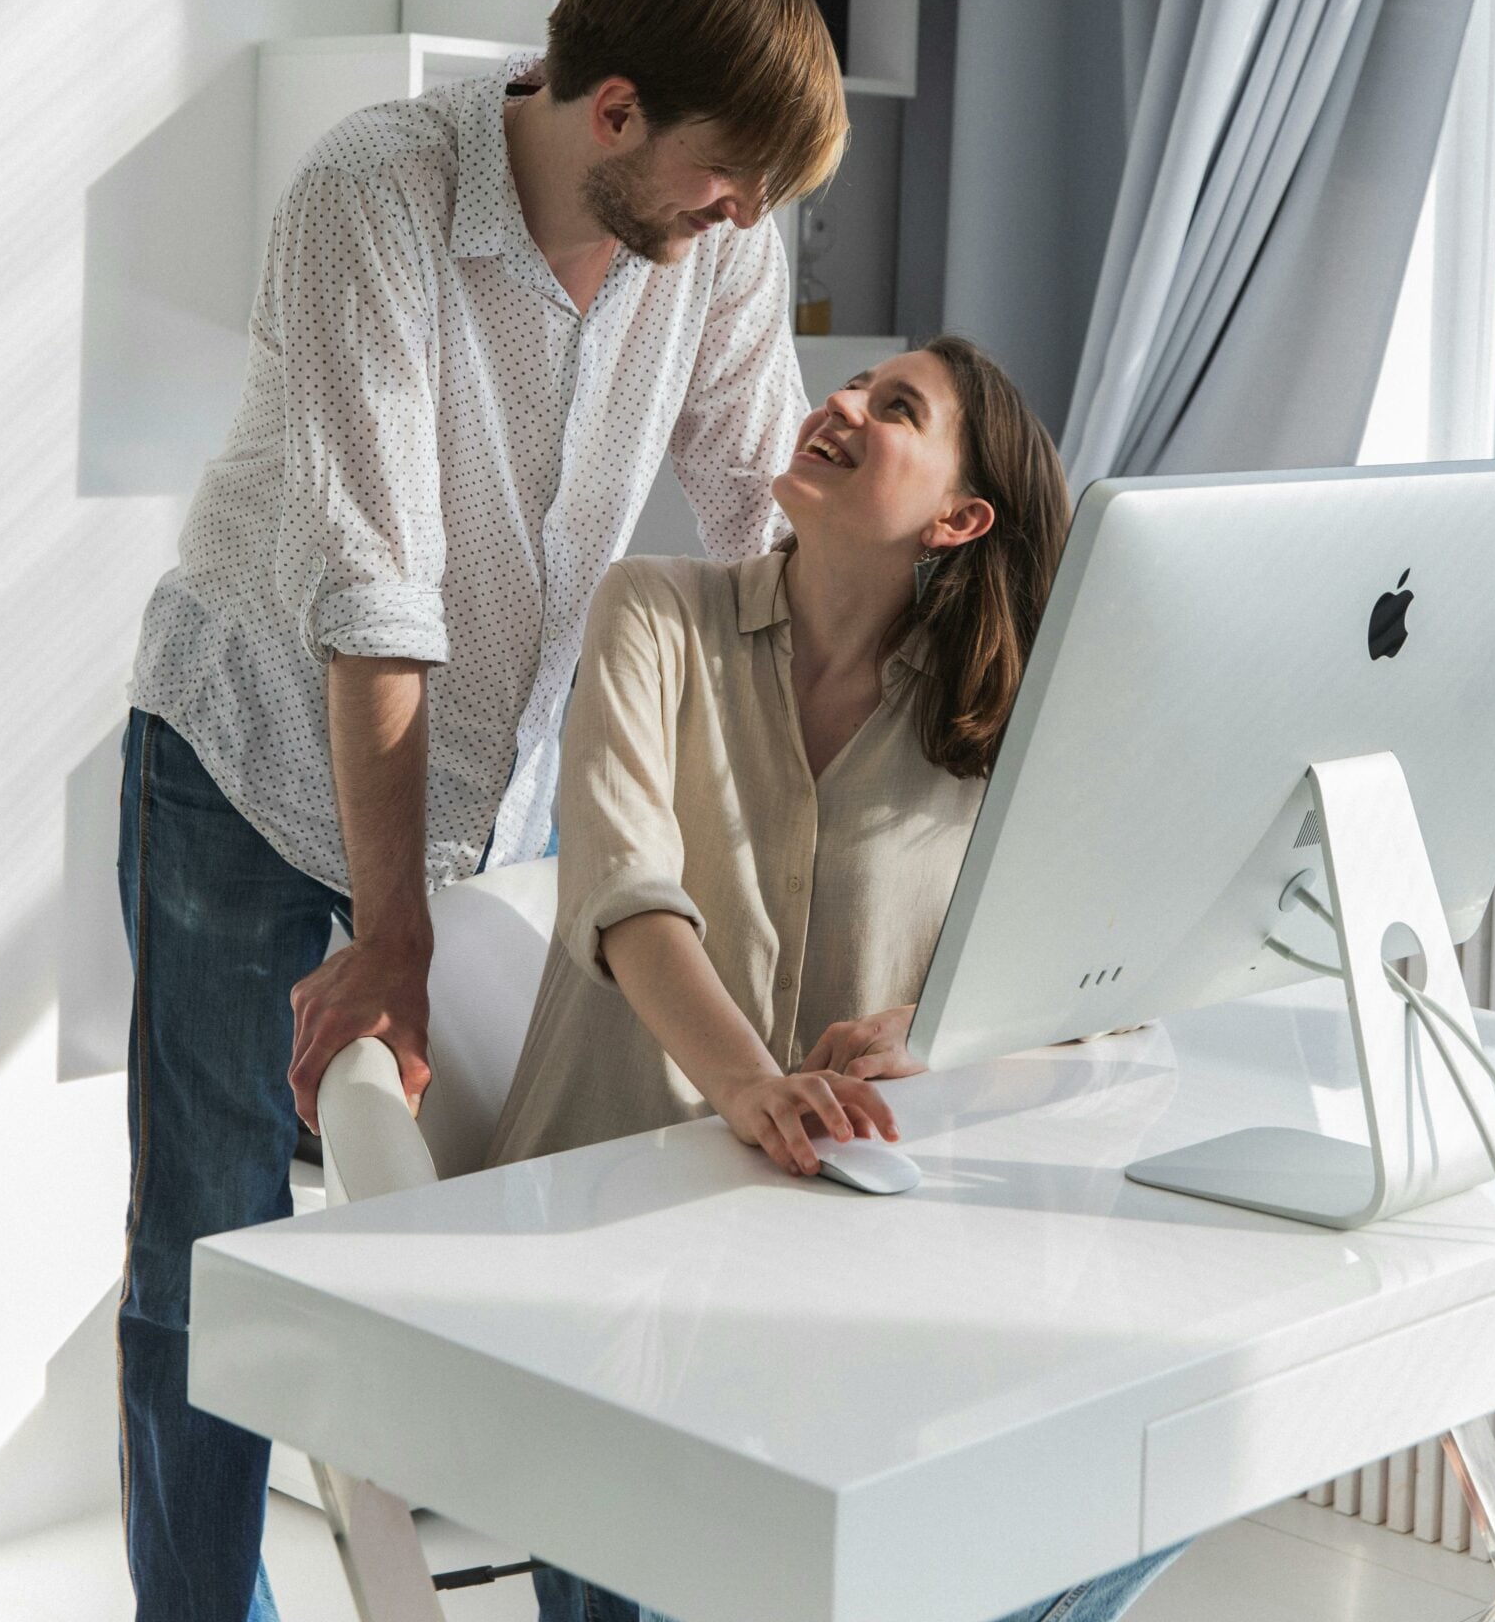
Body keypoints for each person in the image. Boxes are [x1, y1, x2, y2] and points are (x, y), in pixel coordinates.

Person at [117, 0, 847, 1622]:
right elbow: (376, 595)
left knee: (551, 1248)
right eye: (725, 180)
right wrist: (390, 940)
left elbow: (761, 533)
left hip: (485, 800)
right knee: (210, 1259)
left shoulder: (711, 242)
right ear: (608, 112)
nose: (739, 223)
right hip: (250, 765)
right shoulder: (367, 196)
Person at [488, 336, 1182, 1622]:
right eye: (854, 385)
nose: (844, 401)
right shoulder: (652, 610)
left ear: (960, 518)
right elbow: (626, 892)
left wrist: (937, 1023)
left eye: (896, 405)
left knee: (1162, 1467)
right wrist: (755, 1087)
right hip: (604, 1262)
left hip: (842, 1276)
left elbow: (1107, 980)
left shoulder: (996, 731)